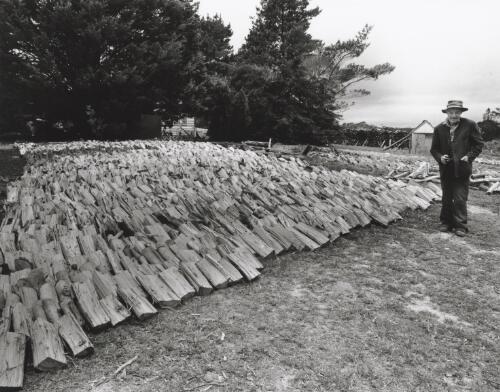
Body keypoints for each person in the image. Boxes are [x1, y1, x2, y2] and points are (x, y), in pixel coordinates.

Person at [430, 100, 484, 237]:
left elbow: (478, 144)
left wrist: (469, 157)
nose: (454, 115)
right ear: (447, 113)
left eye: (457, 112)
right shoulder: (438, 128)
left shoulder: (470, 125)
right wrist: (440, 158)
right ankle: (445, 222)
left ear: (461, 113)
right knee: (446, 197)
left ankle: (460, 225)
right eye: (451, 112)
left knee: (460, 198)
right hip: (446, 169)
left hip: (462, 168)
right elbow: (434, 149)